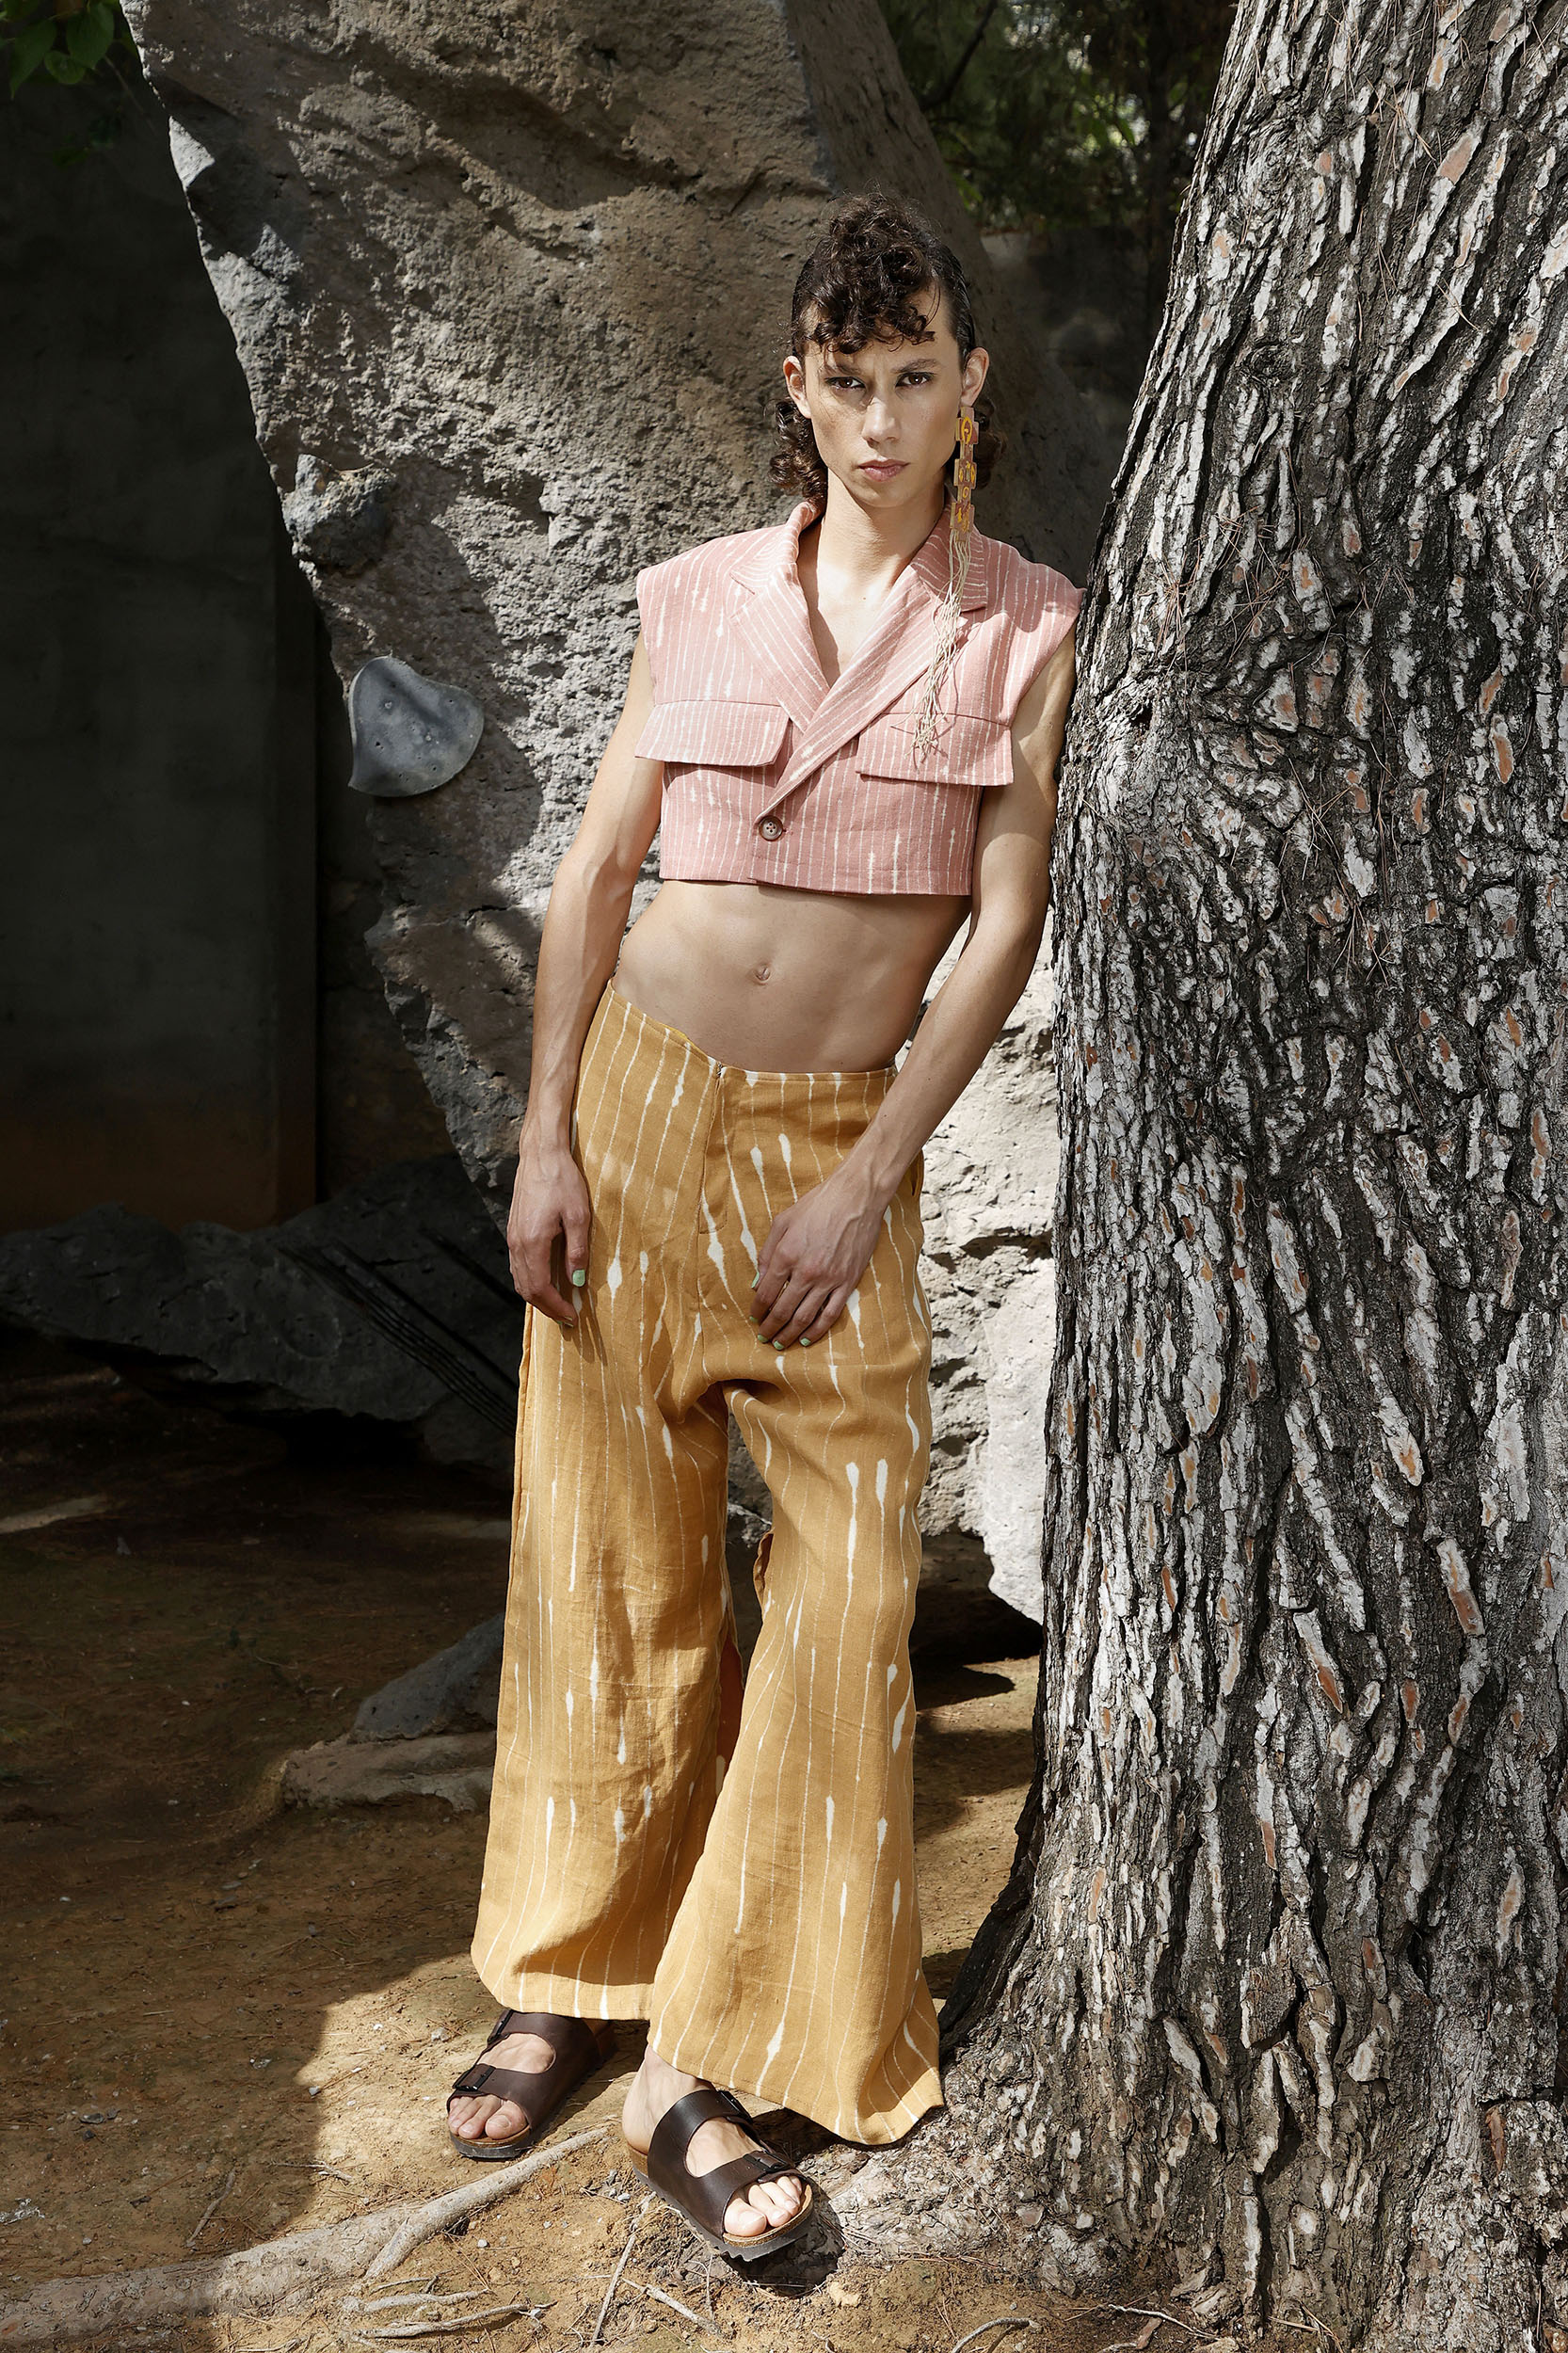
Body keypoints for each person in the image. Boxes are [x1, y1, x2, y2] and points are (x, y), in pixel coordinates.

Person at [445, 193, 1080, 2261]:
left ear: (968, 385)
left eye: (916, 377)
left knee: (846, 1594)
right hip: (634, 1112)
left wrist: (868, 1172)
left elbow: (997, 928)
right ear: (796, 389)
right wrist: (544, 1135)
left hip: (833, 1152)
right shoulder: (699, 594)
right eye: (847, 380)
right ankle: (567, 1975)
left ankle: (700, 2062)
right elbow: (597, 870)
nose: (881, 420)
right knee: (605, 1562)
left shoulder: (1026, 627)